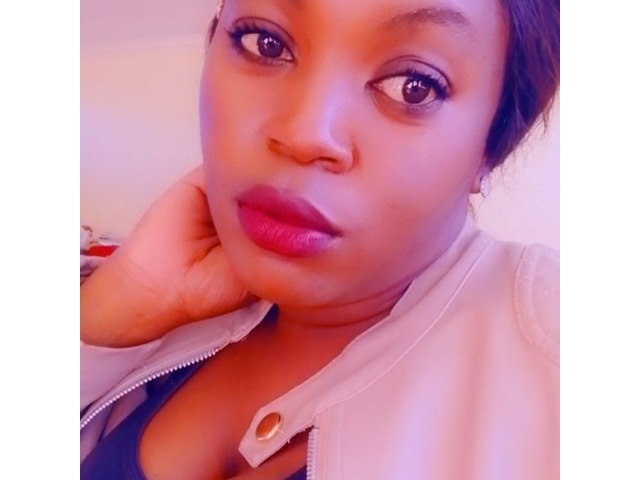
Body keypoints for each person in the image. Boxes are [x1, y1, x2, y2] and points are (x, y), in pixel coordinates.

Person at [80, 0, 560, 478]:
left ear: (494, 143)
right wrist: (112, 310)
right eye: (266, 43)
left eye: (412, 87)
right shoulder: (173, 301)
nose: (304, 134)